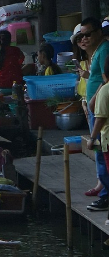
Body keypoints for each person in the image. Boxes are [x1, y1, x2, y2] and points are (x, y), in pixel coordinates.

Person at [81, 17, 109, 211]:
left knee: (100, 150)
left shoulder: (105, 48)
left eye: (88, 34)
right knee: (100, 153)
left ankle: (106, 194)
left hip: (99, 107)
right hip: (95, 106)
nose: (85, 38)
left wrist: (93, 100)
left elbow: (105, 79)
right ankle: (104, 189)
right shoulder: (97, 50)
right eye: (82, 35)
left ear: (99, 32)